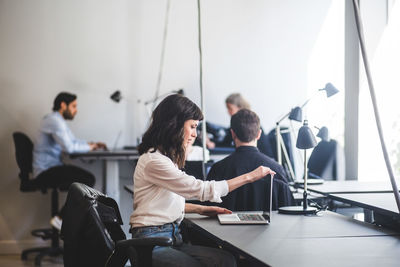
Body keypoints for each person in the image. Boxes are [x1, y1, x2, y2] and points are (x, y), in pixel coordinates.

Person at [129, 94, 276, 267]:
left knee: (226, 260)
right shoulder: (154, 161)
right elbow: (201, 190)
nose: (194, 134)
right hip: (150, 243)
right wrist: (251, 176)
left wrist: (200, 209)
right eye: (192, 127)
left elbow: (163, 204)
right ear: (174, 125)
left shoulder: (165, 160)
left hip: (172, 237)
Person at [32, 92, 106, 229]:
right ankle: (61, 218)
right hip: (45, 171)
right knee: (87, 180)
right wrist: (89, 147)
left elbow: (72, 141)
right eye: (73, 106)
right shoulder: (53, 121)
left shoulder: (58, 121)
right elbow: (69, 148)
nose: (76, 110)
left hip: (51, 168)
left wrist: (90, 145)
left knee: (85, 181)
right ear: (63, 105)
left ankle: (64, 219)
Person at [207, 109, 294, 211]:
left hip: (226, 226)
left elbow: (207, 210)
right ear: (259, 134)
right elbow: (289, 210)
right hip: (269, 227)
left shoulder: (218, 168)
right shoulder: (276, 169)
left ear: (232, 134)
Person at [206, 93, 272, 157]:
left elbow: (229, 141)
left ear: (239, 107)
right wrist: (213, 144)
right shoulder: (238, 124)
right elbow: (227, 140)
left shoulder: (247, 124)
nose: (228, 112)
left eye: (230, 108)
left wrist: (213, 144)